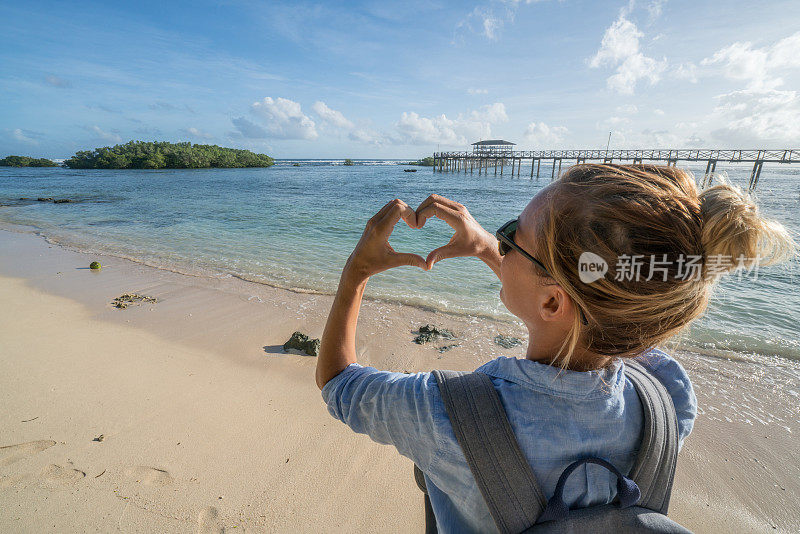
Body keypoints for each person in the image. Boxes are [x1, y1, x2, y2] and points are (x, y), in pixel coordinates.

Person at [315, 164, 795, 533]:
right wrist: (488, 247)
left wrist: (357, 271)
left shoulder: (445, 415)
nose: (500, 244)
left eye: (510, 238)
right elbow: (582, 306)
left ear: (551, 300)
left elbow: (338, 382)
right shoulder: (667, 395)